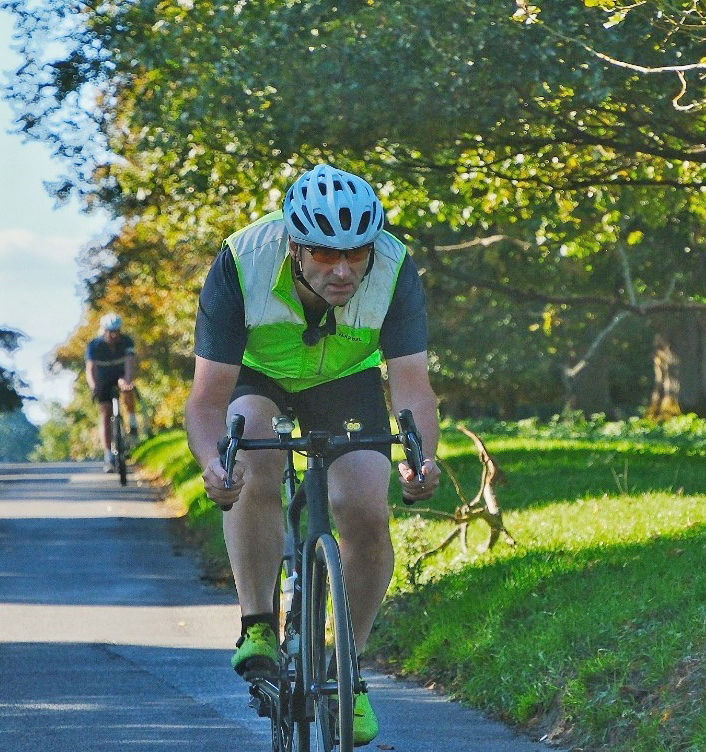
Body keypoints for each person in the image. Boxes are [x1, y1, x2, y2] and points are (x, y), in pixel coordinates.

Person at [184, 163, 441, 746]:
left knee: (365, 507)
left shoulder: (395, 267)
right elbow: (206, 401)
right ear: (295, 247)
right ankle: (257, 623)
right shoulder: (240, 261)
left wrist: (422, 456)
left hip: (345, 381)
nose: (344, 269)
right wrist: (213, 463)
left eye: (356, 253)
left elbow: (411, 384)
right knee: (251, 453)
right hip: (259, 374)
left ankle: (344, 670)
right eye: (326, 255)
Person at [85, 312, 138, 472]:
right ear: (104, 330)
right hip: (103, 379)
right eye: (110, 331)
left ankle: (132, 422)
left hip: (120, 375)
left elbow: (129, 364)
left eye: (116, 331)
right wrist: (94, 386)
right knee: (105, 413)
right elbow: (90, 369)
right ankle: (108, 455)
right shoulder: (94, 345)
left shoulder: (126, 341)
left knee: (128, 389)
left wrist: (127, 381)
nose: (114, 335)